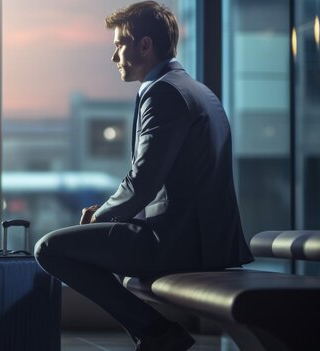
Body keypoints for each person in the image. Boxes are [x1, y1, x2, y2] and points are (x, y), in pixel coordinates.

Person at [34, 1, 254, 350]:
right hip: (206, 240)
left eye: (119, 44)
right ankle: (154, 332)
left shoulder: (164, 92)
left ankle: (157, 332)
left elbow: (143, 182)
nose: (114, 56)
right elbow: (163, 181)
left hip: (179, 243)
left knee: (49, 249)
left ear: (145, 45)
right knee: (89, 244)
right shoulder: (198, 90)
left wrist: (100, 217)